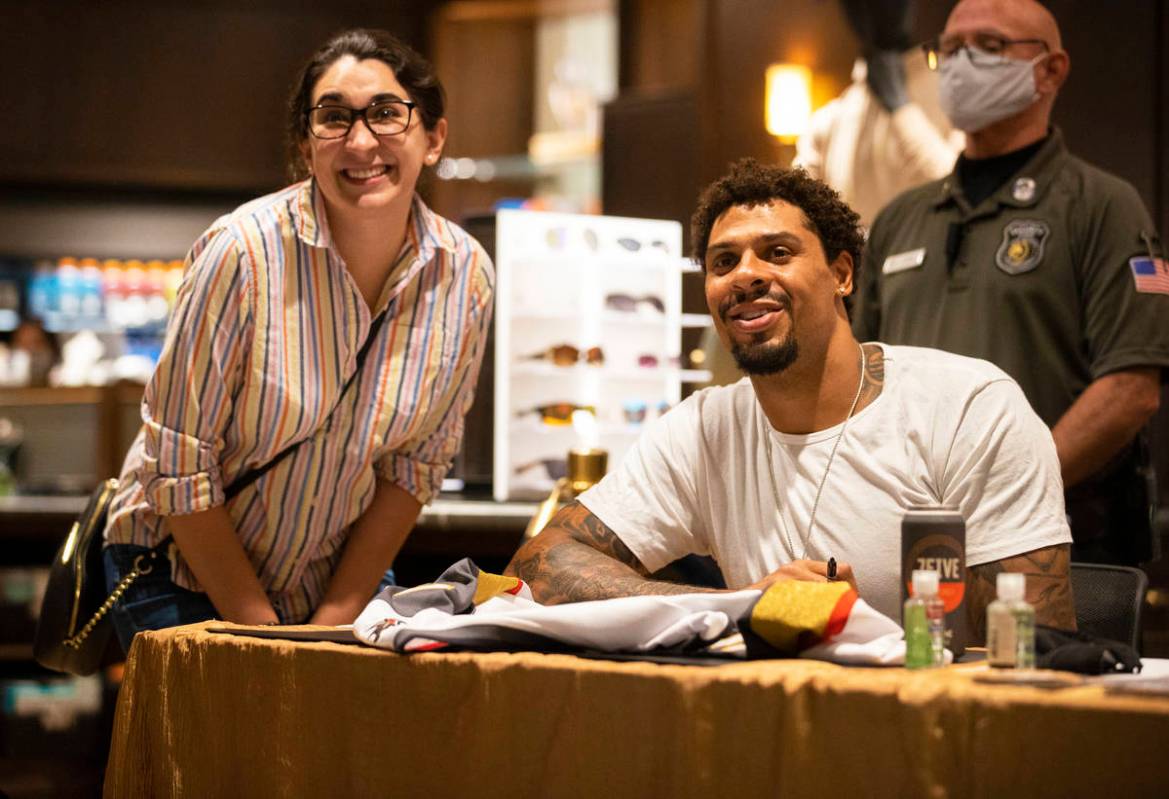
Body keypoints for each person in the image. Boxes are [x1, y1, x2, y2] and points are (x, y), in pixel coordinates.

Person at [507, 159, 1075, 641]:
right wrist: (737, 607)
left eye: (777, 252)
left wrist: (862, 630)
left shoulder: (969, 408)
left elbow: (1037, 647)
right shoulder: (704, 429)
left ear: (842, 274)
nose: (746, 275)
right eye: (723, 262)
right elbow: (539, 566)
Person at [102, 29, 494, 648]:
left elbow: (415, 468)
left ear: (434, 138)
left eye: (387, 114)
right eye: (334, 118)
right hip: (180, 571)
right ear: (306, 145)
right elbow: (178, 464)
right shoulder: (243, 252)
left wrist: (330, 625)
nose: (361, 141)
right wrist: (266, 640)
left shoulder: (464, 273)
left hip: (339, 575)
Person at [852, 0, 1169, 566]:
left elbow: (1131, 388)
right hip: (913, 537)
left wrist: (1011, 489)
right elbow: (857, 378)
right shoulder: (901, 219)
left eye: (990, 47)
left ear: (1050, 70)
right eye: (948, 49)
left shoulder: (1101, 205)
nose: (961, 63)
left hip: (1057, 536)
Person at [793, 0, 963, 227]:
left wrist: (901, 109)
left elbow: (960, 191)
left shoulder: (957, 94)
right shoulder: (829, 120)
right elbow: (796, 214)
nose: (871, 10)